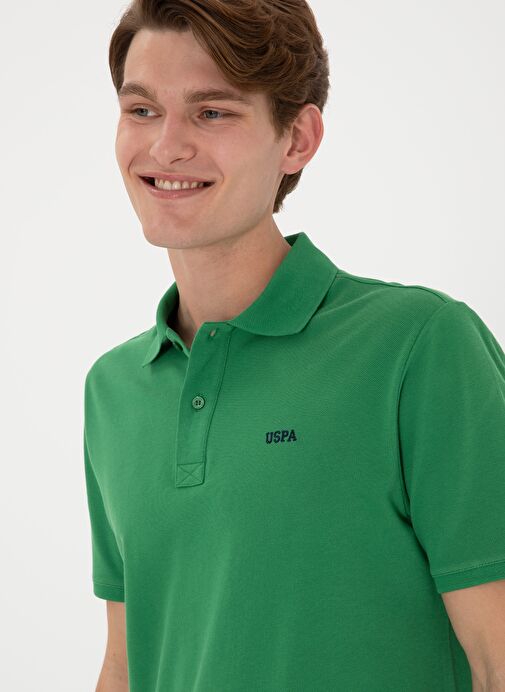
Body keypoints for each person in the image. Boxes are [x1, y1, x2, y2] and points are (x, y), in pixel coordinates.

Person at [83, 1, 505, 691]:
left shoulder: (419, 347)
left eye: (211, 112)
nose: (165, 147)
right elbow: (127, 664)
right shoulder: (114, 388)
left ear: (297, 139)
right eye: (142, 110)